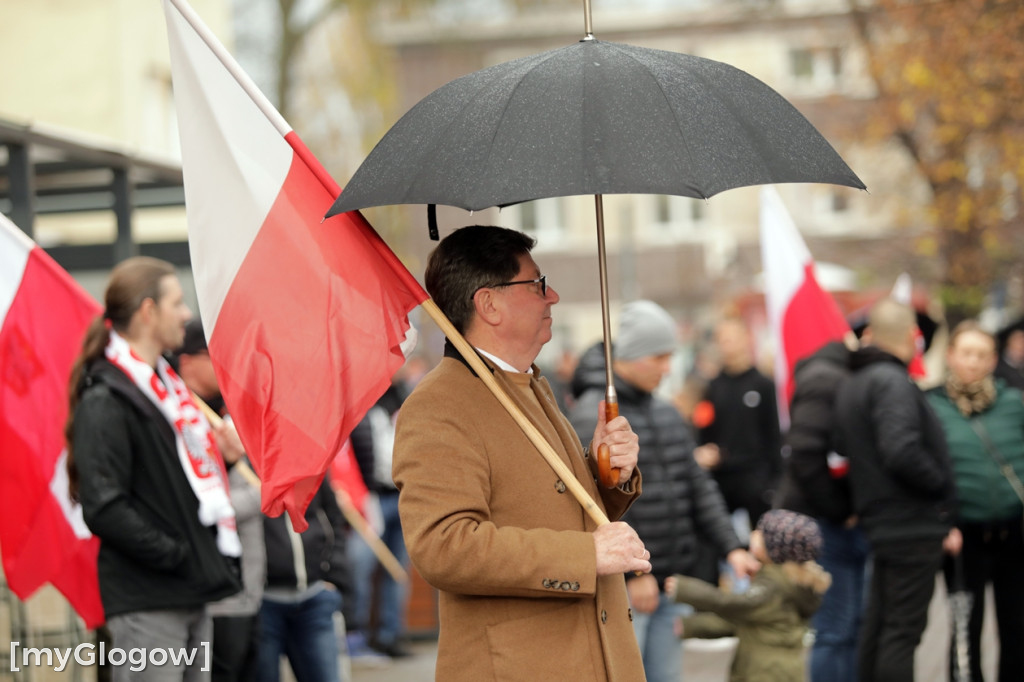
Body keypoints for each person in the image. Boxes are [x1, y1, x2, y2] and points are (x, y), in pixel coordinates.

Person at [392, 225, 650, 682]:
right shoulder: (439, 405)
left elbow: (555, 505)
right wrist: (584, 556)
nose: (551, 297)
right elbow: (444, 546)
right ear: (489, 304)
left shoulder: (531, 384)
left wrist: (606, 472)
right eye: (536, 284)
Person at [66, 256, 243, 682]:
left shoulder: (168, 391)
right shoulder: (107, 398)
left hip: (190, 588)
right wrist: (175, 552)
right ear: (148, 312)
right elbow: (104, 505)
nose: (186, 314)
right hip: (150, 597)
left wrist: (229, 464)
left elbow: (179, 489)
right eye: (177, 302)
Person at [569, 300, 760, 682]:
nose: (667, 367)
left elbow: (696, 485)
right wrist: (634, 575)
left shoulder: (666, 413)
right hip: (625, 588)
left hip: (673, 579)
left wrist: (731, 546)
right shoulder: (594, 413)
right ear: (632, 355)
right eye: (659, 357)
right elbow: (591, 504)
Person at [834, 298, 961, 682]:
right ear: (912, 336)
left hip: (883, 522)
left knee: (880, 625)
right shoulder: (890, 381)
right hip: (910, 524)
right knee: (902, 632)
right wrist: (941, 486)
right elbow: (901, 450)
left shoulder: (856, 381)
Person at [926, 320, 1024, 682]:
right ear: (951, 356)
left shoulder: (1013, 402)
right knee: (966, 626)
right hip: (964, 536)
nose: (973, 362)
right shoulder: (932, 405)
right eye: (966, 353)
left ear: (993, 360)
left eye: (982, 355)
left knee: (1017, 625)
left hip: (1014, 533)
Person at [170, 320, 265, 682]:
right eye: (214, 358)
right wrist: (263, 495)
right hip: (216, 596)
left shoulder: (233, 410)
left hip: (252, 590)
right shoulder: (181, 416)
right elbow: (201, 502)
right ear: (187, 362)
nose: (225, 367)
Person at [773, 339, 869, 682]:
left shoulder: (833, 375)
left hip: (842, 521)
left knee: (851, 628)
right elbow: (805, 453)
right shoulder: (824, 378)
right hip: (827, 524)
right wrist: (840, 509)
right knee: (834, 631)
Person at [665, 509, 831, 682]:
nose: (753, 534)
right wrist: (693, 626)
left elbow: (732, 605)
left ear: (775, 549)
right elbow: (745, 621)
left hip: (766, 674)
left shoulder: (771, 587)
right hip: (777, 671)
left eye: (760, 533)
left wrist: (685, 589)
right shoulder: (788, 582)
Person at [256, 478, 351, 682]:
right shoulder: (247, 463)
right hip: (263, 601)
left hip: (315, 597)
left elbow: (334, 517)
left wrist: (334, 577)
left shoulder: (310, 461)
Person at [345, 380, 413, 660]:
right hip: (368, 498)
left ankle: (389, 635)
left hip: (400, 495)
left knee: (397, 571)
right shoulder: (359, 402)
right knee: (360, 568)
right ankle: (356, 637)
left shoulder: (405, 399)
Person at [695, 317, 782, 530]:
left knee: (762, 542)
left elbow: (775, 435)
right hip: (723, 479)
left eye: (732, 339)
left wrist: (774, 481)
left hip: (756, 478)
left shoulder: (763, 385)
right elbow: (703, 429)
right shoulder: (712, 387)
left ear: (746, 339)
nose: (727, 345)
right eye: (722, 340)